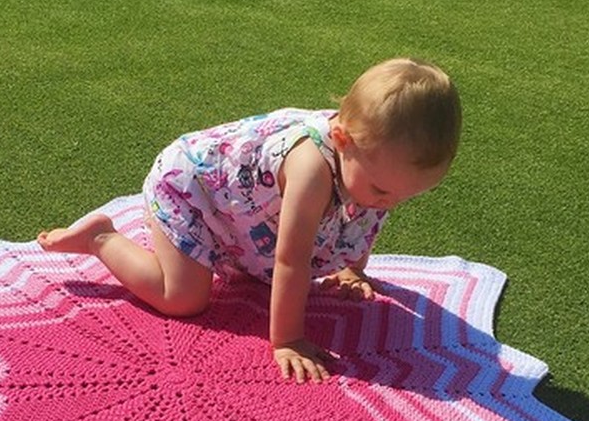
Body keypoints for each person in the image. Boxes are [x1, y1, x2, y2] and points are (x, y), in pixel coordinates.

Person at [37, 57, 461, 384]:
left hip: (243, 206)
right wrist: (288, 339)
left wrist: (352, 269)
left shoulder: (371, 162)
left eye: (407, 195)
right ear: (341, 141)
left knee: (357, 208)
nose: (389, 204)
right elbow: (290, 262)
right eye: (384, 192)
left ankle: (219, 250)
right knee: (182, 298)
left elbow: (365, 218)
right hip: (195, 189)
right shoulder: (312, 167)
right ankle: (101, 239)